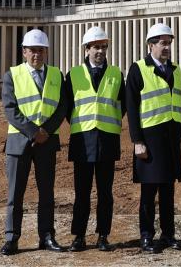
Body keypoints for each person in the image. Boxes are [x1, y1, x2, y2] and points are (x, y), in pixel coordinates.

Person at [0, 28, 69, 256]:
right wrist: (33, 132)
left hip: (47, 141)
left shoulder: (57, 75)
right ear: (24, 52)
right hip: (19, 143)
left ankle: (47, 236)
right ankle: (12, 238)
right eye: (32, 51)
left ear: (46, 52)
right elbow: (10, 109)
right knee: (15, 195)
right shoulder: (13, 75)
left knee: (47, 193)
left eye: (41, 50)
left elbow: (62, 107)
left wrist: (46, 131)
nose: (37, 55)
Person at [64, 26, 124, 252]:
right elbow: (68, 107)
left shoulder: (116, 74)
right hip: (82, 141)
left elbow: (121, 105)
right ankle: (78, 236)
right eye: (95, 47)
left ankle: (103, 235)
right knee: (81, 193)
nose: (100, 51)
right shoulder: (73, 74)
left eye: (103, 47)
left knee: (106, 193)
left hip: (107, 141)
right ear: (86, 49)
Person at [125, 23, 181, 253]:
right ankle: (146, 236)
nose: (166, 47)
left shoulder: (176, 70)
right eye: (162, 43)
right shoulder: (138, 69)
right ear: (150, 45)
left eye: (169, 43)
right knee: (149, 192)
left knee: (168, 191)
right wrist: (137, 141)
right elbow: (131, 106)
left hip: (170, 140)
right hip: (148, 139)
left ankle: (168, 235)